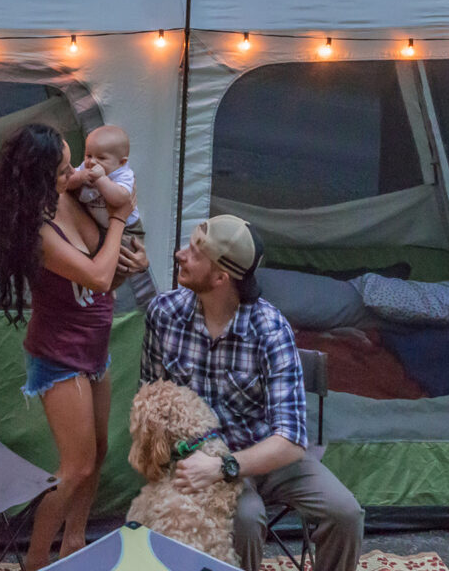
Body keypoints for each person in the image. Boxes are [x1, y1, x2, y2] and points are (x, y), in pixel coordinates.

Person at [140, 214, 364, 571]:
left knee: (346, 512)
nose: (181, 255)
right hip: (200, 456)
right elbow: (150, 402)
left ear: (220, 277)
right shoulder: (164, 315)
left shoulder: (269, 328)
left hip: (267, 454)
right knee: (244, 518)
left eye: (196, 252)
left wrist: (224, 466)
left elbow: (290, 440)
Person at [0, 123, 148, 571]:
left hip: (95, 346)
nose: (76, 171)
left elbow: (105, 279)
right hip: (59, 356)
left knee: (97, 454)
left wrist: (133, 267)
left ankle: (73, 546)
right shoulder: (36, 233)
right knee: (75, 467)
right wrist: (119, 219)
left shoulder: (74, 195)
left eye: (72, 161)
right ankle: (35, 563)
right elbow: (94, 276)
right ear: (39, 177)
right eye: (63, 168)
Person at [66, 125, 145, 248]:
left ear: (121, 162)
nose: (92, 162)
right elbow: (67, 183)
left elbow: (120, 199)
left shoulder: (123, 174)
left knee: (125, 257)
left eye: (101, 158)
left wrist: (101, 180)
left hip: (127, 229)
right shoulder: (85, 168)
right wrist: (80, 176)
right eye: (89, 155)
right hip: (100, 226)